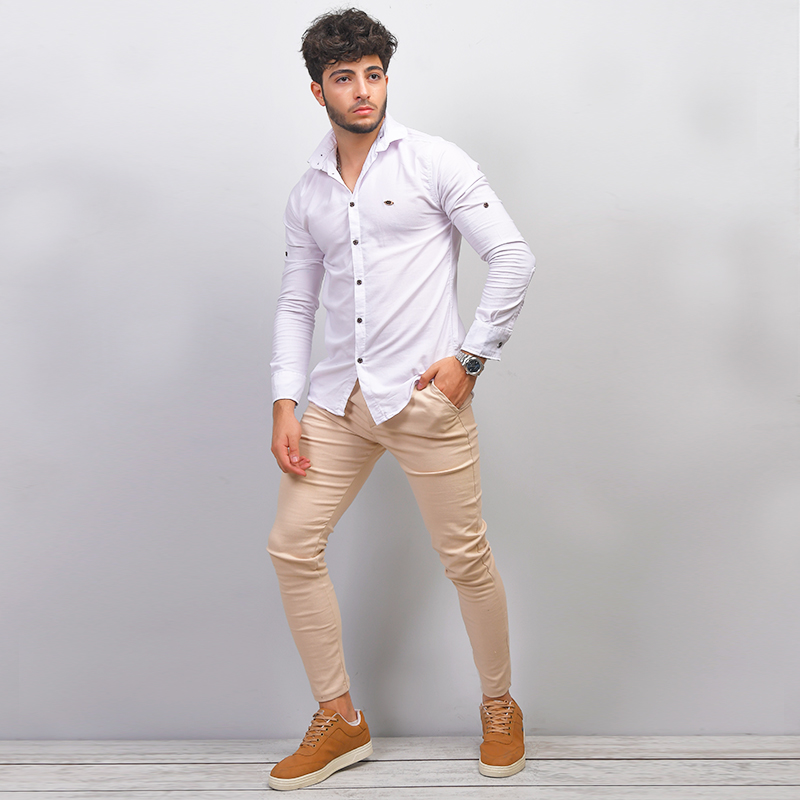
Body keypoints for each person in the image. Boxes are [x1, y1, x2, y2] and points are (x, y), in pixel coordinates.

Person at [267, 8, 535, 792]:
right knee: (291, 545)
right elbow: (297, 304)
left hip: (423, 402)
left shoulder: (434, 162)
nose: (362, 91)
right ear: (317, 90)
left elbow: (513, 257)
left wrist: (471, 358)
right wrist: (284, 400)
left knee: (466, 558)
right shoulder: (308, 193)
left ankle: (499, 707)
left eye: (373, 74)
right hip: (337, 403)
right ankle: (341, 719)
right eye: (344, 78)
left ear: (386, 78)